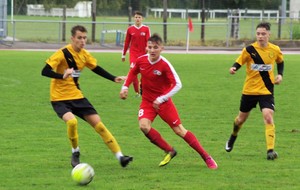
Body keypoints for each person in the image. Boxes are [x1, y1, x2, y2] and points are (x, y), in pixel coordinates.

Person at [119, 33, 218, 169]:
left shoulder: (165, 65)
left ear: (162, 48)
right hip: (147, 102)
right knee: (144, 126)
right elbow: (133, 72)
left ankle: (206, 156)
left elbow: (178, 84)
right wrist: (125, 87)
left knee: (180, 131)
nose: (152, 50)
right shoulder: (141, 60)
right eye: (149, 47)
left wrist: (161, 99)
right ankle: (169, 150)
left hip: (164, 104)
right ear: (146, 48)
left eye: (155, 47)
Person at [41, 25, 133, 168]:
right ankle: (75, 152)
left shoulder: (84, 55)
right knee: (72, 122)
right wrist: (62, 75)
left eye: (84, 38)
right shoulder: (62, 53)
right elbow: (44, 71)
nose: (82, 41)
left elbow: (96, 68)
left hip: (77, 96)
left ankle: (120, 157)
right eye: (79, 38)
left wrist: (113, 78)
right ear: (72, 38)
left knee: (100, 126)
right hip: (59, 98)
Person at [225, 22, 284, 160]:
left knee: (268, 116)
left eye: (263, 34)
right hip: (249, 90)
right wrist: (234, 68)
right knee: (240, 120)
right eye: (258, 34)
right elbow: (239, 62)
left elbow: (280, 62)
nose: (260, 36)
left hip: (266, 90)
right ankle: (233, 136)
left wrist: (280, 75)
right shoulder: (249, 49)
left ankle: (270, 150)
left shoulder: (275, 49)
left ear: (269, 34)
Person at [122, 11, 151, 97]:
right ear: (134, 18)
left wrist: (148, 48)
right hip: (133, 54)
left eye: (139, 17)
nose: (137, 19)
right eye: (136, 17)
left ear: (142, 19)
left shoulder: (146, 29)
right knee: (133, 71)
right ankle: (137, 92)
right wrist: (123, 54)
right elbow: (127, 42)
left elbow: (148, 40)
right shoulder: (130, 29)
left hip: (143, 54)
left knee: (144, 73)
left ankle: (142, 89)